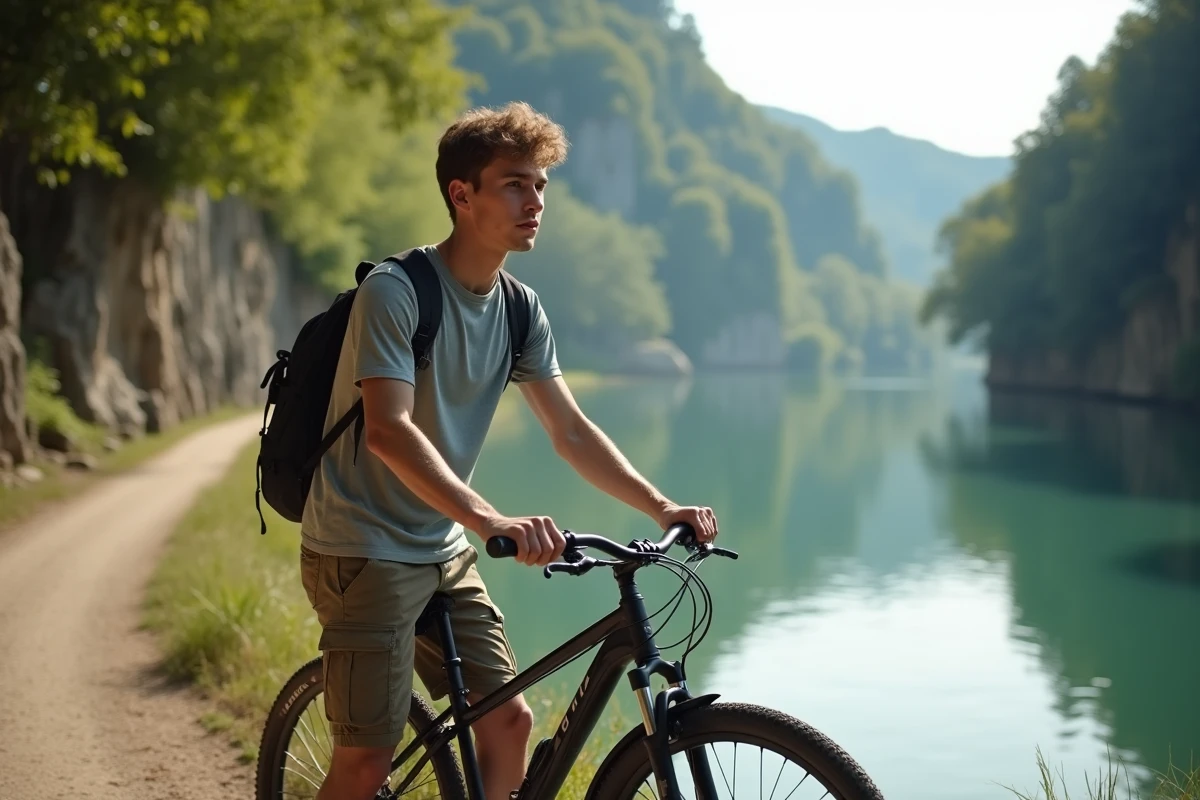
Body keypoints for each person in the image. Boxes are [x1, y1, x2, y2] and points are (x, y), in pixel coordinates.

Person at [298, 101, 719, 800]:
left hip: (439, 546)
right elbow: (388, 430)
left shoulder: (520, 307)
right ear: (462, 196)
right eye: (515, 185)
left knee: (509, 725)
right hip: (362, 543)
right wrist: (490, 520)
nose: (536, 202)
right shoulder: (396, 292)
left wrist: (661, 505)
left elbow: (571, 431)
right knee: (367, 761)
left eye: (542, 186)